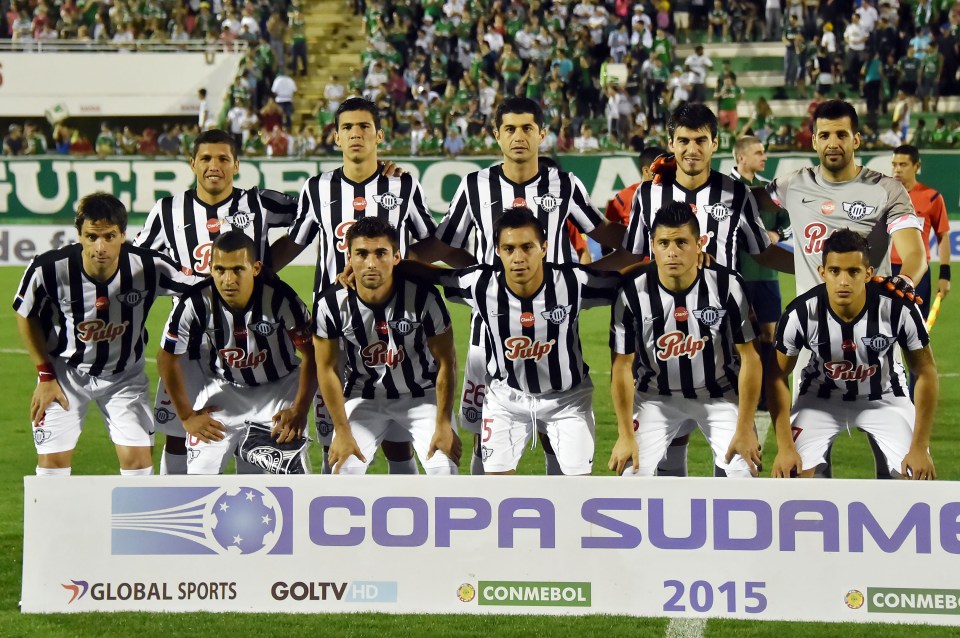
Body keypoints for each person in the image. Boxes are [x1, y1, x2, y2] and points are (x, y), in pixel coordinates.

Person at [412, 96, 630, 476]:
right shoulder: (474, 186)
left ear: (542, 133)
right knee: (485, 431)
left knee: (557, 429)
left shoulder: (563, 184)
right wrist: (396, 262)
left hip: (555, 320)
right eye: (509, 129)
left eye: (528, 128)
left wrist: (600, 268)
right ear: (496, 134)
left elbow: (610, 236)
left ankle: (558, 502)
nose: (519, 137)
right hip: (490, 332)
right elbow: (442, 245)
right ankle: (489, 516)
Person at [604, 102, 793, 478]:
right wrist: (579, 276)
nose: (692, 149)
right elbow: (633, 253)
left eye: (701, 141)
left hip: (722, 327)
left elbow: (763, 251)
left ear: (715, 143)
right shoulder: (648, 194)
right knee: (661, 456)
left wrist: (815, 269)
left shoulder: (735, 193)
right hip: (663, 333)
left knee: (739, 470)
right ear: (671, 144)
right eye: (684, 141)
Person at [272, 97, 443, 475]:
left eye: (364, 126)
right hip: (333, 323)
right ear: (335, 137)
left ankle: (406, 518)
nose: (356, 134)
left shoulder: (403, 185)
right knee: (332, 431)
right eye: (347, 127)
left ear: (379, 135)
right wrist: (257, 273)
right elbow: (296, 240)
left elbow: (428, 244)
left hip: (394, 320)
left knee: (398, 435)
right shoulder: (317, 187)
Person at [759, 99, 927, 478]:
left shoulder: (886, 189)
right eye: (824, 135)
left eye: (840, 134)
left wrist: (904, 280)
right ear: (814, 141)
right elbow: (743, 201)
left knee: (905, 475)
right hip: (810, 340)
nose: (832, 142)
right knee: (803, 476)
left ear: (856, 138)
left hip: (875, 342)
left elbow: (914, 254)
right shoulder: (791, 185)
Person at [134, 129, 298, 475]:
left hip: (253, 334)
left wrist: (268, 267)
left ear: (236, 164)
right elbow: (142, 264)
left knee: (252, 428)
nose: (214, 166)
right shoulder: (167, 211)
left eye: (223, 158)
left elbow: (314, 218)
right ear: (192, 163)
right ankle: (175, 506)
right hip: (191, 337)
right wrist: (184, 284)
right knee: (181, 431)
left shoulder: (260, 203)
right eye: (206, 158)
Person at [14, 193, 198, 476]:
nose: (100, 247)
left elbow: (204, 288)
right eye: (91, 237)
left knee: (139, 467)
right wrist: (45, 376)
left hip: (124, 376)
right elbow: (25, 314)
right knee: (51, 470)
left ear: (124, 235)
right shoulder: (48, 268)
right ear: (79, 235)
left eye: (110, 236)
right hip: (65, 375)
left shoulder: (150, 266)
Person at [436, 208, 621, 474]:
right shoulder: (481, 283)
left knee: (577, 489)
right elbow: (429, 275)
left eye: (527, 247)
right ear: (497, 251)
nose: (518, 257)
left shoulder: (572, 282)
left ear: (544, 248)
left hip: (567, 400)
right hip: (506, 399)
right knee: (497, 486)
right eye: (509, 249)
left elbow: (629, 280)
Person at [768, 229, 937, 480]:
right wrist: (784, 448)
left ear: (868, 274)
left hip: (886, 397)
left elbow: (926, 372)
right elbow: (776, 376)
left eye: (853, 272)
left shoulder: (899, 308)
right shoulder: (800, 313)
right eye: (835, 271)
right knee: (791, 474)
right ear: (822, 273)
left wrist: (920, 447)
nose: (843, 281)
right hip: (819, 399)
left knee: (916, 474)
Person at [609, 201, 762, 477]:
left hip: (719, 395)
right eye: (664, 243)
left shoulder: (727, 284)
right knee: (630, 474)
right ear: (652, 245)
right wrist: (624, 434)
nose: (672, 252)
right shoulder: (632, 293)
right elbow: (621, 366)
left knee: (744, 472)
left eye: (682, 242)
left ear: (699, 243)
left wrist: (745, 427)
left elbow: (750, 357)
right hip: (655, 397)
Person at [157, 231, 315, 475]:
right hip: (224, 391)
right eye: (220, 269)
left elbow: (312, 355)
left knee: (282, 484)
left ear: (255, 268)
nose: (228, 279)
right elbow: (167, 357)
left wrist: (299, 408)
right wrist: (187, 416)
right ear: (210, 268)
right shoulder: (195, 302)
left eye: (237, 270)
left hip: (280, 390)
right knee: (199, 476)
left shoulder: (282, 299)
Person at [314, 218, 461, 474]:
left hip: (422, 395)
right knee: (341, 470)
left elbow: (446, 361)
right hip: (363, 396)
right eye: (361, 254)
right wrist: (342, 431)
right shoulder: (330, 304)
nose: (371, 263)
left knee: (444, 470)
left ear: (396, 257)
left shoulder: (424, 296)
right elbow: (327, 370)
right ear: (349, 257)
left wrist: (444, 423)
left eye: (381, 253)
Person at [732, 135, 791, 410]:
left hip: (767, 276)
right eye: (759, 152)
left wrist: (777, 234)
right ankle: (739, 392)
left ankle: (768, 394)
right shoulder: (726, 189)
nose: (764, 157)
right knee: (739, 338)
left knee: (770, 335)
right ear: (741, 157)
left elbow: (789, 224)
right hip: (736, 275)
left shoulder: (769, 191)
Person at [889, 144, 951, 317]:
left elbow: (943, 236)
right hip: (886, 269)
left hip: (919, 270)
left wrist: (945, 274)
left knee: (916, 330)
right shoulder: (884, 196)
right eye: (894, 164)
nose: (897, 170)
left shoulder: (932, 197)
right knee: (884, 329)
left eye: (903, 164)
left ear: (917, 166)